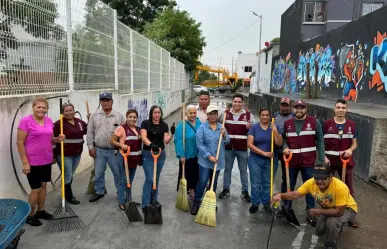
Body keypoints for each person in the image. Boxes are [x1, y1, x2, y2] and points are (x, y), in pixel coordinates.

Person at [272, 164, 358, 249]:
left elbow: (339, 212)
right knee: (319, 231)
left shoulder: (340, 187)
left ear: (331, 177)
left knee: (332, 221)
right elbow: (295, 194)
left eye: (324, 178)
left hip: (347, 209)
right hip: (328, 208)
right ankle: (336, 228)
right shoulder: (311, 183)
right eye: (317, 178)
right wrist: (280, 195)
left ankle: (330, 244)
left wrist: (318, 211)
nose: (320, 181)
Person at [16, 97, 65, 226]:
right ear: (33, 107)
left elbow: (50, 140)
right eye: (38, 107)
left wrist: (58, 139)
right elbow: (20, 142)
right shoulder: (25, 121)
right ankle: (30, 215)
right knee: (36, 189)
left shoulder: (48, 121)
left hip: (46, 160)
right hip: (32, 162)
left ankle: (41, 211)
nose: (41, 109)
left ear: (47, 109)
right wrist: (25, 162)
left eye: (44, 107)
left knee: (44, 186)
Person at [282, 99, 325, 226]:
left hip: (309, 162)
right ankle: (286, 209)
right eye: (296, 108)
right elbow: (283, 138)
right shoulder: (288, 123)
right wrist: (284, 147)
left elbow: (320, 141)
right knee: (289, 186)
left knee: (311, 189)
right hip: (292, 161)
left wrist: (321, 161)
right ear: (292, 109)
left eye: (302, 108)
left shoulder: (314, 122)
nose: (299, 110)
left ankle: (310, 212)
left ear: (306, 109)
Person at [323, 99, 358, 228]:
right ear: (334, 109)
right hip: (329, 162)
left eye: (343, 107)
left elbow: (354, 143)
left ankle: (351, 217)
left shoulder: (352, 125)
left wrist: (350, 150)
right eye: (338, 107)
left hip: (346, 162)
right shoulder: (326, 124)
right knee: (327, 189)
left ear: (346, 109)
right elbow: (320, 143)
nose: (341, 110)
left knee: (349, 190)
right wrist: (324, 156)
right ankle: (326, 214)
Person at [191, 105, 230, 215]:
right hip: (205, 161)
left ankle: (209, 202)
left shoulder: (221, 127)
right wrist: (209, 156)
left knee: (213, 182)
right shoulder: (202, 128)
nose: (213, 116)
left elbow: (227, 142)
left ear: (217, 115)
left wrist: (225, 135)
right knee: (203, 181)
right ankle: (196, 203)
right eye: (210, 114)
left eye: (215, 113)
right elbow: (200, 144)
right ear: (207, 115)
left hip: (217, 161)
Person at [86, 92, 125, 202]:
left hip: (115, 151)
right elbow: (90, 132)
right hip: (99, 150)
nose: (105, 102)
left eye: (108, 100)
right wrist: (90, 147)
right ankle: (99, 191)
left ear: (112, 101)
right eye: (103, 100)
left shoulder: (119, 116)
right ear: (100, 102)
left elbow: (124, 133)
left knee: (118, 173)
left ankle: (120, 192)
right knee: (98, 173)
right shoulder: (94, 116)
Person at [219, 93, 255, 202]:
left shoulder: (249, 116)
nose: (237, 104)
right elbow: (216, 123)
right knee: (227, 170)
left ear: (243, 103)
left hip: (242, 148)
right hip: (228, 148)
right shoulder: (225, 114)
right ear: (232, 102)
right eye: (235, 101)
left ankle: (245, 191)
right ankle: (226, 189)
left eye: (239, 102)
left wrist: (250, 127)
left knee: (243, 170)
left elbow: (254, 130)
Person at [247, 108, 282, 213]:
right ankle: (255, 203)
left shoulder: (275, 127)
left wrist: (275, 131)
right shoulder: (254, 128)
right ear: (259, 115)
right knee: (256, 183)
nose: (265, 117)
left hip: (271, 160)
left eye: (267, 115)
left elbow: (279, 143)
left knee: (267, 183)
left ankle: (266, 203)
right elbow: (249, 144)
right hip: (255, 159)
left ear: (270, 116)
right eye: (263, 115)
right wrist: (264, 153)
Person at [140, 105, 175, 211]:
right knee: (149, 178)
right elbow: (143, 136)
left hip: (160, 154)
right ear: (151, 113)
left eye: (158, 112)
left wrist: (172, 133)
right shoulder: (145, 123)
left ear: (161, 114)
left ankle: (153, 199)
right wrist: (151, 145)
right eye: (155, 112)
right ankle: (145, 203)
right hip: (148, 153)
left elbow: (166, 141)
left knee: (156, 178)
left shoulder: (164, 125)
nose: (157, 114)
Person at [53, 103, 87, 205]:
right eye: (66, 111)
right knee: (67, 175)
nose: (69, 112)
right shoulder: (58, 124)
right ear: (63, 113)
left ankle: (65, 193)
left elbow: (86, 131)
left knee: (70, 175)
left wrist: (90, 122)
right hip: (64, 155)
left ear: (74, 110)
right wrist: (54, 156)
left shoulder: (80, 122)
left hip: (77, 154)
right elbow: (53, 141)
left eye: (71, 110)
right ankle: (69, 197)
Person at [111, 109, 142, 211]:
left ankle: (129, 200)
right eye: (130, 117)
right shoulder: (121, 128)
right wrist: (121, 145)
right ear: (127, 117)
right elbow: (112, 140)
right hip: (123, 158)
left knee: (130, 181)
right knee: (123, 180)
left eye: (134, 117)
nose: (132, 119)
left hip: (134, 158)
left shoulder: (138, 129)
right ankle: (121, 202)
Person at [174, 104, 202, 200]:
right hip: (186, 155)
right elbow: (178, 141)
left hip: (198, 154)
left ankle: (193, 192)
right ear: (186, 113)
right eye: (190, 113)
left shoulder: (199, 123)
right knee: (186, 174)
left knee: (196, 174)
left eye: (194, 112)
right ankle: (184, 193)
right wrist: (181, 155)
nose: (193, 115)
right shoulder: (181, 125)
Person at [273, 97, 295, 203]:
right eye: (283, 105)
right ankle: (267, 199)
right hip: (274, 150)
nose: (285, 108)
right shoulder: (274, 116)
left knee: (286, 177)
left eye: (287, 105)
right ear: (280, 106)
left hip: (287, 152)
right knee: (270, 175)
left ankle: (284, 200)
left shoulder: (294, 117)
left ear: (290, 106)